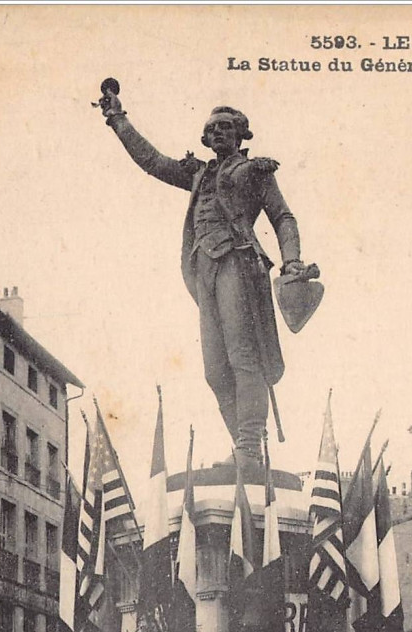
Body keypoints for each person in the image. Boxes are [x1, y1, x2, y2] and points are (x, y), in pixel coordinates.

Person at [101, 90, 311, 474]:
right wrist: (118, 120)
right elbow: (151, 161)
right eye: (211, 128)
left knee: (243, 358)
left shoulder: (255, 171)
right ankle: (246, 450)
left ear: (240, 135)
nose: (217, 133)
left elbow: (283, 217)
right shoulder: (198, 174)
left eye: (225, 127)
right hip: (204, 271)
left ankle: (249, 447)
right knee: (215, 370)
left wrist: (291, 260)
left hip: (238, 264)